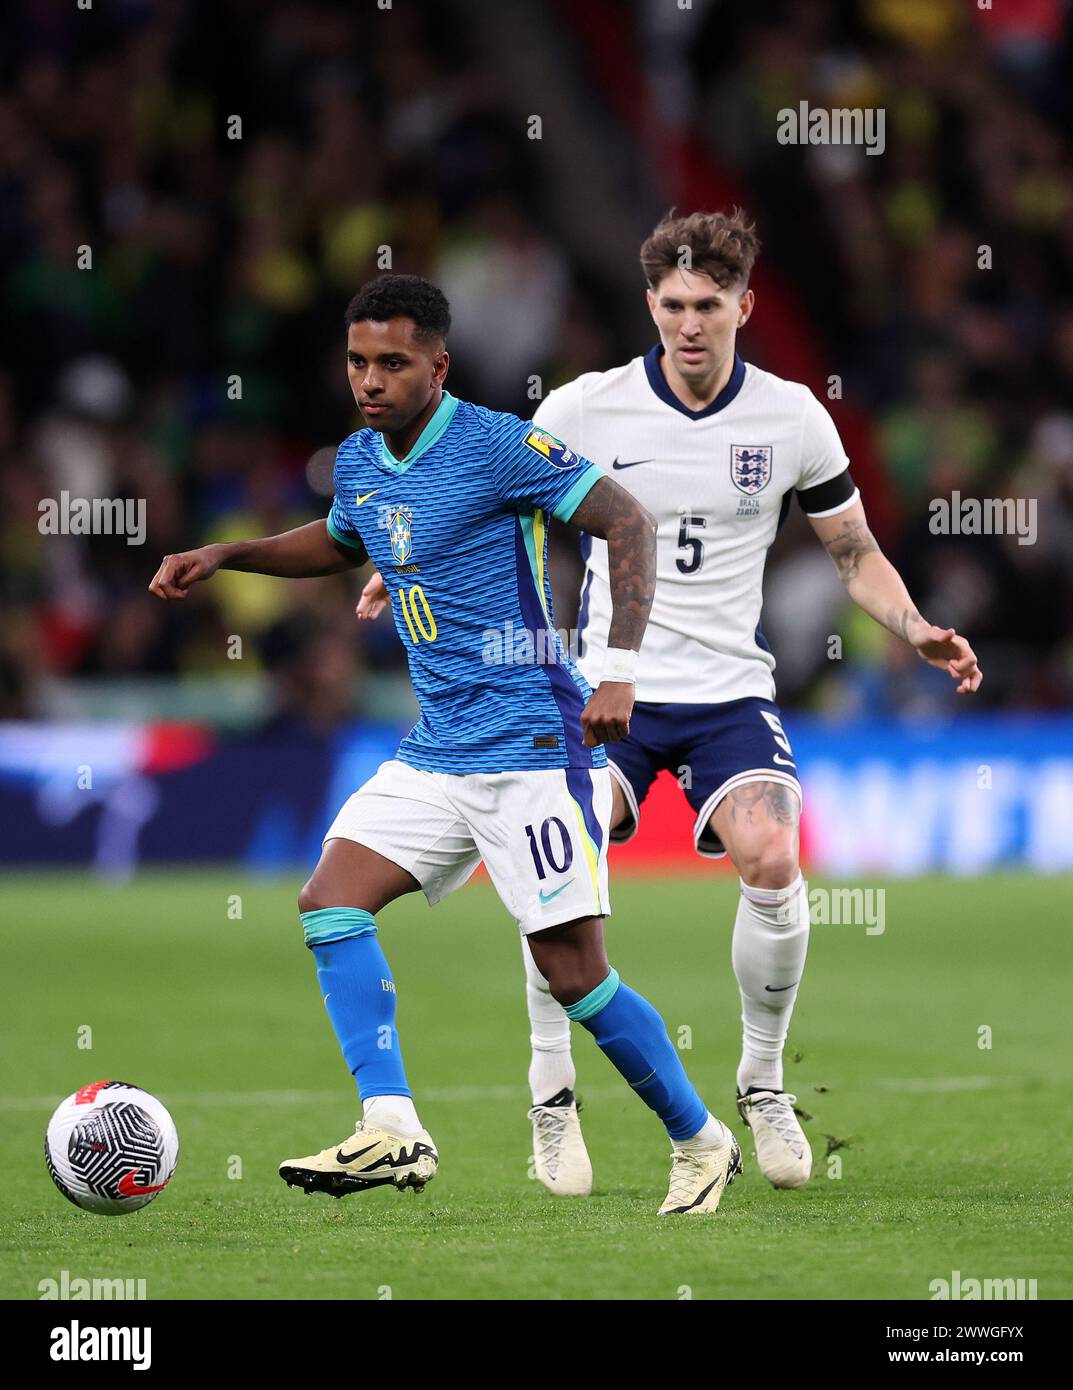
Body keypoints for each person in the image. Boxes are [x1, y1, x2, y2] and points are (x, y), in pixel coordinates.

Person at [360, 213, 984, 1198]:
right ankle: (550, 1091)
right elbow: (482, 494)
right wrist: (399, 562)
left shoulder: (790, 418)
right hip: (606, 689)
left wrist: (915, 628)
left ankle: (762, 1083)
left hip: (729, 690)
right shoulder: (584, 407)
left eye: (707, 306)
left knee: (773, 853)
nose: (689, 323)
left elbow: (852, 553)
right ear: (649, 305)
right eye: (671, 306)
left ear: (742, 305)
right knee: (555, 856)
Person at [149, 273, 743, 1216]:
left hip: (529, 745)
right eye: (357, 362)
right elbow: (346, 538)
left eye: (393, 363)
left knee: (574, 978)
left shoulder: (497, 445)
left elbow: (623, 518)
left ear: (439, 365)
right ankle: (391, 1127)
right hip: (435, 748)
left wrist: (621, 666)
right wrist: (229, 553)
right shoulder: (355, 457)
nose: (370, 380)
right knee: (330, 901)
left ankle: (700, 1141)